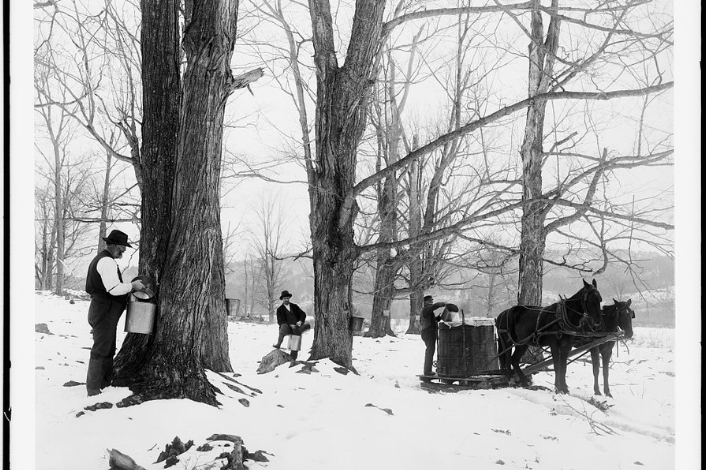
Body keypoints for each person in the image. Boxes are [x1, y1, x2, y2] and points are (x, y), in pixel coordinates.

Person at [85, 229, 145, 396]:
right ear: (114, 246)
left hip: (103, 310)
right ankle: (94, 389)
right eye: (122, 248)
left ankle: (103, 384)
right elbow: (113, 289)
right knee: (101, 348)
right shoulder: (107, 262)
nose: (124, 251)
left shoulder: (104, 259)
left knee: (108, 346)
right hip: (104, 311)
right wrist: (132, 286)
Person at [272, 290, 310, 360]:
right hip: (287, 327)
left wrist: (300, 321)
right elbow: (280, 321)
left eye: (287, 298)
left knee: (300, 330)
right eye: (284, 298)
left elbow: (303, 314)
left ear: (289, 298)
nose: (286, 300)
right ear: (282, 299)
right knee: (284, 327)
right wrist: (290, 325)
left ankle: (293, 356)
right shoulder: (280, 309)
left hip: (297, 326)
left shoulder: (294, 306)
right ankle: (278, 344)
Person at [420, 294, 446, 377]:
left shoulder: (430, 310)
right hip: (428, 331)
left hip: (430, 331)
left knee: (431, 351)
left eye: (432, 301)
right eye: (430, 301)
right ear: (426, 302)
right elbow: (433, 307)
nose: (431, 302)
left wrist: (442, 310)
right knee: (430, 351)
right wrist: (440, 304)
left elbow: (438, 319)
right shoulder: (426, 309)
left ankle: (428, 370)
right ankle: (427, 371)